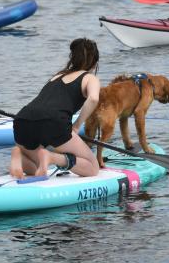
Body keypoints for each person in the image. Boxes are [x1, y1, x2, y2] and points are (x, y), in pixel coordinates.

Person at [9, 38, 101, 179]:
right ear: (94, 64)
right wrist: (76, 125)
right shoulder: (89, 78)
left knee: (35, 168)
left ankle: (18, 155)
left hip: (22, 120)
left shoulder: (57, 75)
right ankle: (52, 157)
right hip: (53, 122)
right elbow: (94, 98)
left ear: (72, 58)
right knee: (92, 168)